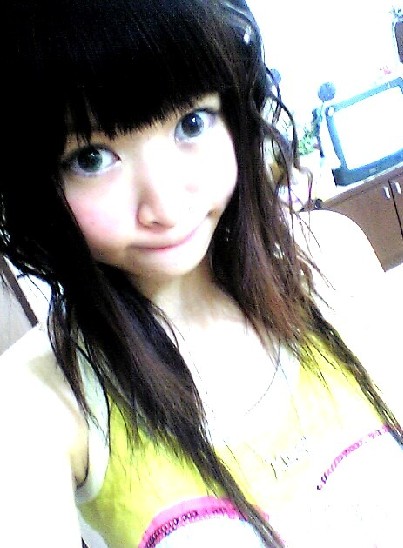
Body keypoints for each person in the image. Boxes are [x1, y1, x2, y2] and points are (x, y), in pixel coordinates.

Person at [1, 1, 402, 546]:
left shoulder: (330, 258)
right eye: (91, 158)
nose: (165, 206)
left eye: (191, 122)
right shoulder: (36, 401)